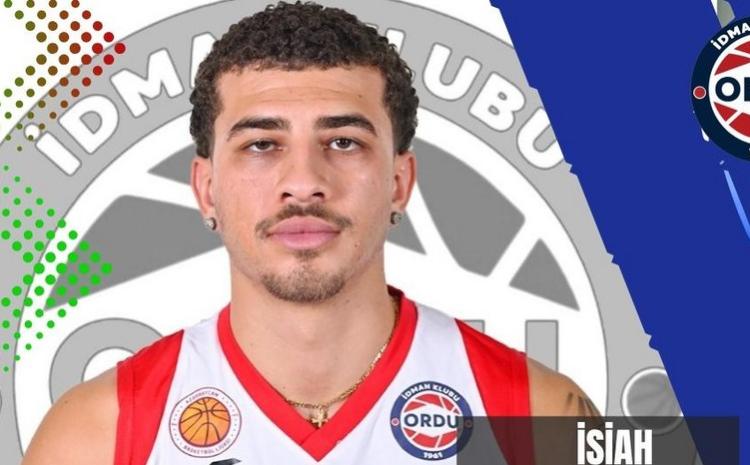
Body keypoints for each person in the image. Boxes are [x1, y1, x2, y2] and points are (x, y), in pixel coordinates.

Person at [21, 2, 599, 464]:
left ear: (399, 183)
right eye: (261, 145)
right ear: (206, 189)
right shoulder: (95, 436)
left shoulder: (538, 418)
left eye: (343, 142)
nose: (303, 182)